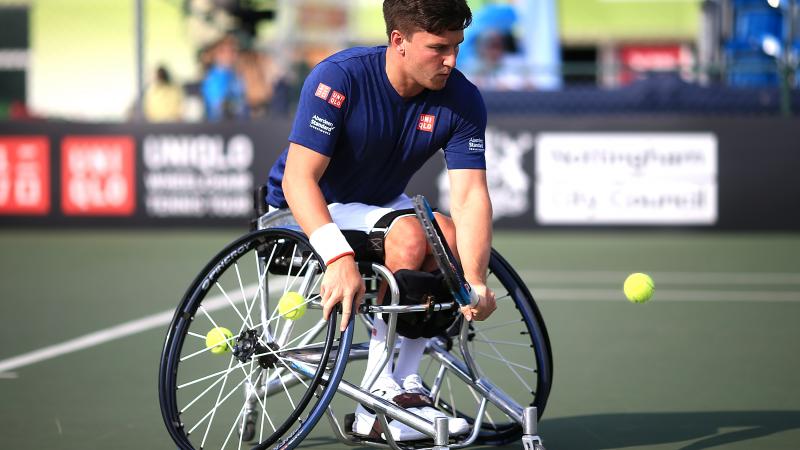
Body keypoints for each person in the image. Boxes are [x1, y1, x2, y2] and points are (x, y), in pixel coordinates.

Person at [265, 0, 497, 441]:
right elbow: (299, 181)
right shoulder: (340, 78)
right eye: (438, 47)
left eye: (457, 46)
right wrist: (337, 257)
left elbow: (469, 196)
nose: (451, 60)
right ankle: (374, 399)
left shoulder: (462, 98)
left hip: (374, 205)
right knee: (413, 233)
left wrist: (473, 279)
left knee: (446, 235)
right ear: (399, 41)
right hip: (297, 211)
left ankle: (403, 388)